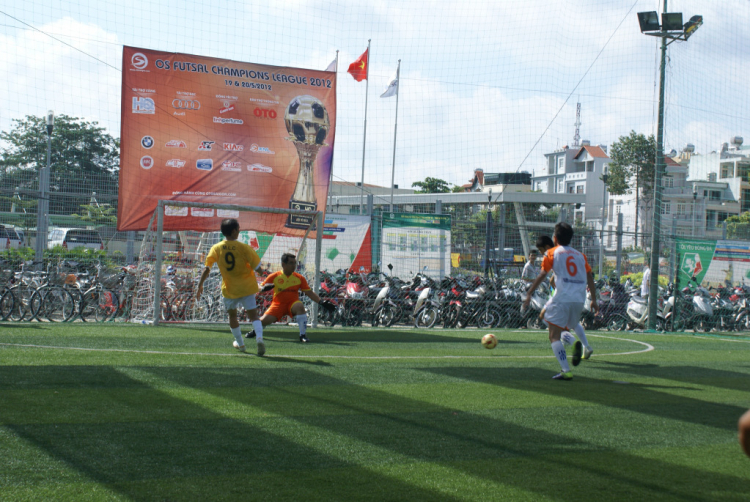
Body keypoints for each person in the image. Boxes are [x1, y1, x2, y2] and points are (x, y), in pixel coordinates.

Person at [523, 223, 598, 380]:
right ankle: (575, 342)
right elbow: (590, 277)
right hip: (579, 299)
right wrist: (594, 300)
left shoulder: (551, 253)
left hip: (562, 297)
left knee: (553, 335)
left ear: (555, 238)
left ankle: (566, 369)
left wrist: (529, 293)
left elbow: (543, 274)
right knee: (566, 326)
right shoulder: (580, 255)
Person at [196, 218, 265, 356]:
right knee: (254, 316)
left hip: (229, 289)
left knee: (232, 316)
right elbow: (259, 269)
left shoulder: (216, 248)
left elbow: (207, 269)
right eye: (238, 229)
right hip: (247, 287)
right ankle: (259, 339)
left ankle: (240, 344)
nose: (239, 231)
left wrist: (200, 285)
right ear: (234, 231)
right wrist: (265, 276)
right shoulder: (244, 248)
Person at [245, 253, 334, 343]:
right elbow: (259, 288)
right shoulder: (274, 276)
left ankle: (302, 335)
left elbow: (309, 292)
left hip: (292, 304)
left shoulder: (299, 278)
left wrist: (322, 302)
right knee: (260, 322)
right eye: (291, 263)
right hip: (278, 305)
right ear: (283, 264)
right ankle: (255, 331)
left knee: (300, 306)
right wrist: (263, 288)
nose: (294, 265)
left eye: (294, 263)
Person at [535, 235, 594, 362]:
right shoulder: (568, 252)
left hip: (563, 296)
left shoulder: (554, 254)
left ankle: (574, 343)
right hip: (576, 295)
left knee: (552, 323)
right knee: (572, 323)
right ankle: (586, 346)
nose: (541, 254)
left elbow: (551, 277)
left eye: (541, 251)